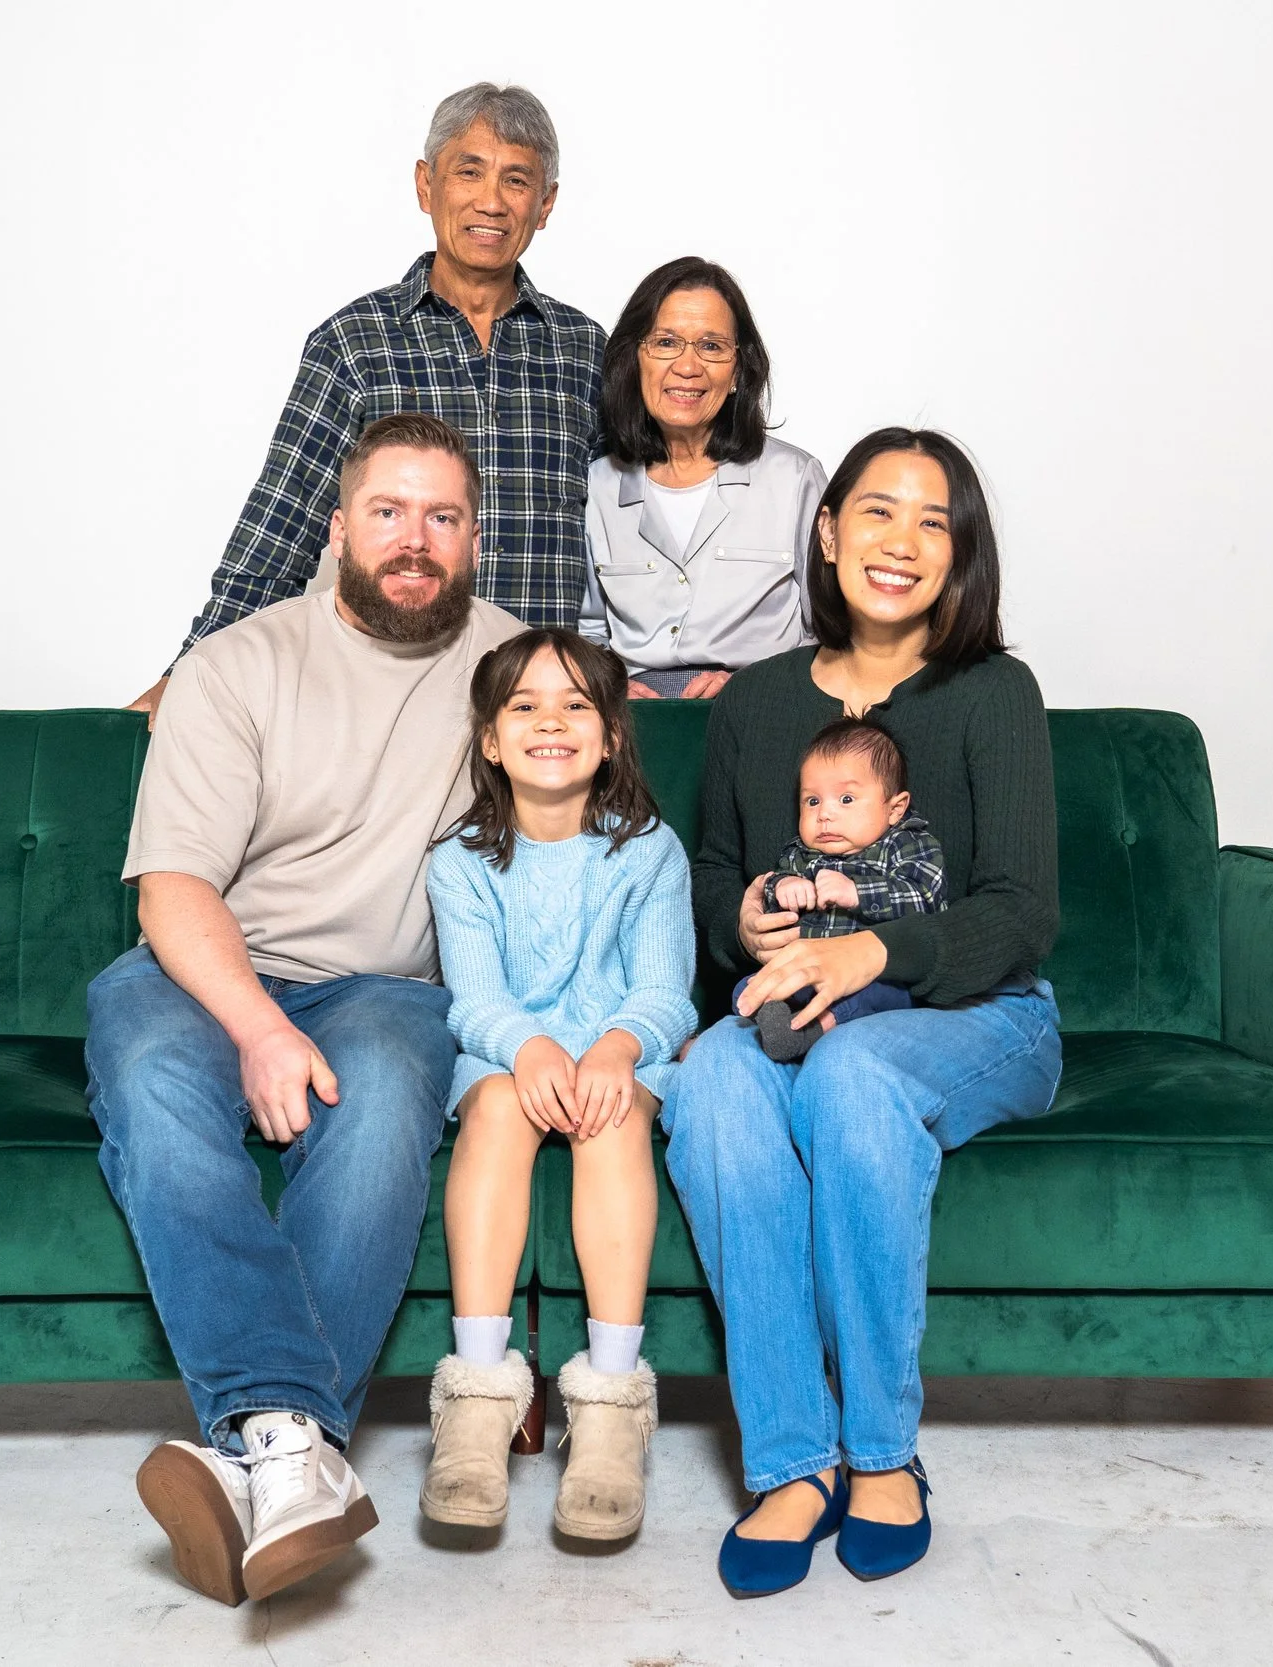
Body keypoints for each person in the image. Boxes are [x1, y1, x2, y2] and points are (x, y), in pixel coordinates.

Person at [88, 413, 523, 1608]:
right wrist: (260, 1027)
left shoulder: (513, 672)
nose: (413, 539)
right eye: (387, 511)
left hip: (390, 990)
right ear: (336, 528)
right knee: (154, 1087)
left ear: (473, 538)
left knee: (380, 1108)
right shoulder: (237, 665)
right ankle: (299, 1446)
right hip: (207, 969)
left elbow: (587, 821)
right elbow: (172, 889)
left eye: (442, 516)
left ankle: (258, 1452)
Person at [661, 427, 1063, 1599]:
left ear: (959, 554)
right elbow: (713, 872)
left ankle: (883, 1450)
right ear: (830, 532)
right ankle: (794, 1459)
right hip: (795, 1000)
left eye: (934, 522)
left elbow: (1022, 911)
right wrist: (744, 920)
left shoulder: (993, 693)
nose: (902, 540)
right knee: (713, 1078)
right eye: (878, 511)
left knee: (854, 1074)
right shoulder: (756, 704)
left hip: (978, 1010)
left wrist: (873, 949)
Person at [132, 83, 604, 723]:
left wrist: (675, 665)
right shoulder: (353, 344)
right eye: (468, 172)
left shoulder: (585, 351)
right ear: (425, 185)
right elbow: (279, 527)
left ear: (545, 204)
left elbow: (638, 524)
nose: (491, 201)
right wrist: (190, 671)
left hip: (545, 714)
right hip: (393, 707)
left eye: (516, 180)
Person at [417, 628, 695, 1542]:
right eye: (525, 706)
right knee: (498, 1105)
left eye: (576, 705)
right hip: (509, 1055)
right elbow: (475, 999)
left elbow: (665, 991)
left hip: (620, 1053)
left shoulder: (649, 851)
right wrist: (529, 1047)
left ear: (611, 736)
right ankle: (477, 1396)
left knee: (610, 1119)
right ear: (491, 741)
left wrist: (616, 1048)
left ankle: (611, 1404)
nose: (551, 722)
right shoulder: (460, 861)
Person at [578, 256, 824, 701]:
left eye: (711, 346)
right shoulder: (600, 484)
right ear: (635, 360)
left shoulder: (794, 479)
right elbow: (591, 630)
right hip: (637, 717)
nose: (688, 367)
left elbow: (828, 630)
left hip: (761, 706)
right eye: (666, 342)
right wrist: (612, 686)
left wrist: (756, 687)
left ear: (738, 371)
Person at [741, 717, 946, 1062]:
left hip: (876, 978)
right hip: (806, 973)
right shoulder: (801, 854)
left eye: (846, 799)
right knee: (748, 985)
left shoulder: (908, 845)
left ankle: (818, 1027)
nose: (825, 814)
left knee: (886, 994)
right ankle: (774, 1017)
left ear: (895, 808)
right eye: (812, 801)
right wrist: (783, 886)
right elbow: (771, 890)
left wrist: (858, 892)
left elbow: (926, 899)